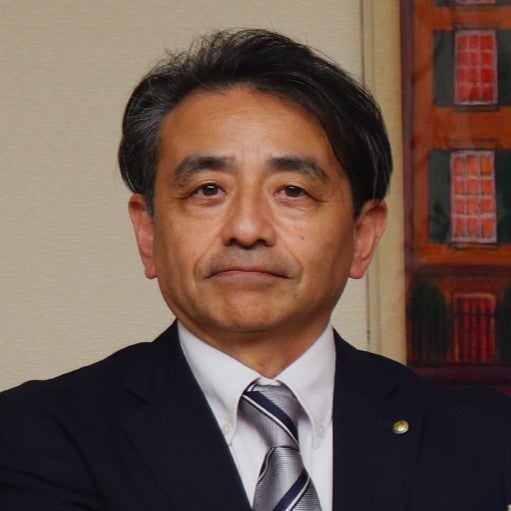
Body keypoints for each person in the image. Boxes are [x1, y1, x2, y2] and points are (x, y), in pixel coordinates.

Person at [0, 28, 509, 511]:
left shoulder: (486, 439)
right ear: (148, 231)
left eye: (292, 191)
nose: (246, 229)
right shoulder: (35, 436)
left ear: (362, 235)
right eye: (208, 190)